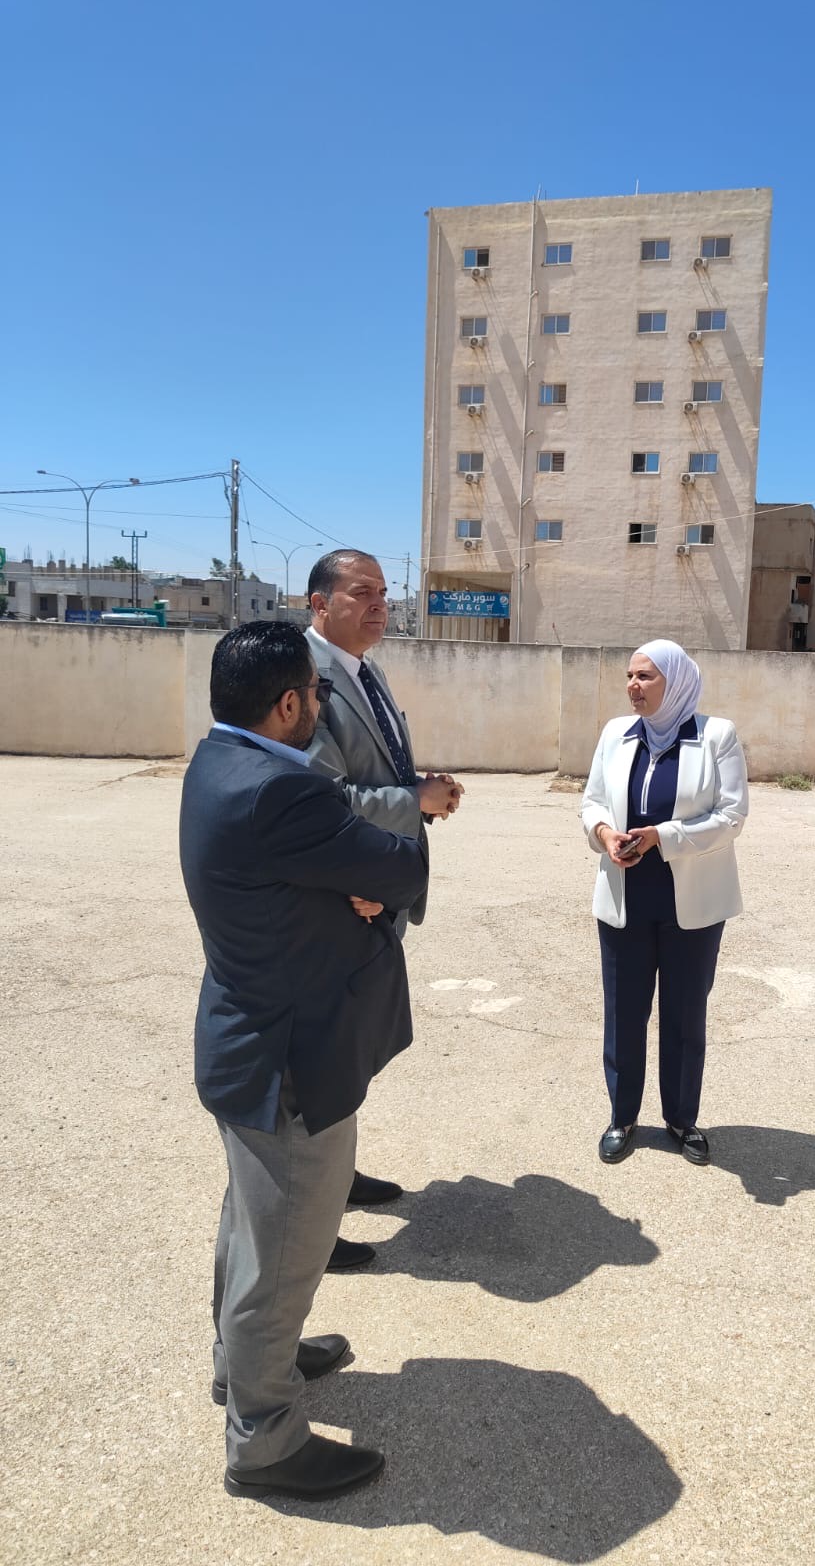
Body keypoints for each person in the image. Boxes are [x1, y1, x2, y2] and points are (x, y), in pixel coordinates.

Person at [180, 622, 427, 1500]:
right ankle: (266, 1443)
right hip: (289, 1061)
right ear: (288, 703)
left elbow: (329, 874)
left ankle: (248, 1364)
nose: (321, 704)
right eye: (316, 694)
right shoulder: (283, 790)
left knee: (252, 1231)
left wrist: (344, 882)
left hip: (246, 1043)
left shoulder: (217, 760)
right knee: (283, 1257)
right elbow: (400, 863)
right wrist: (362, 883)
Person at [303, 548, 463, 1272]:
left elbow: (376, 771)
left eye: (383, 592)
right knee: (320, 1062)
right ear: (319, 603)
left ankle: (336, 1177)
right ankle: (310, 1225)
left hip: (375, 891)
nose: (379, 605)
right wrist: (411, 800)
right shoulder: (304, 680)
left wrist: (420, 789)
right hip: (340, 899)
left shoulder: (365, 670)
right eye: (361, 592)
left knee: (350, 1054)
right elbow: (317, 799)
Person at [581, 639, 749, 1165]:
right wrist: (604, 833)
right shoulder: (616, 733)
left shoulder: (716, 736)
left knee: (684, 1014)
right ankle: (622, 1117)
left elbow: (731, 816)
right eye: (630, 676)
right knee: (623, 1012)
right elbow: (591, 801)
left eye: (646, 677)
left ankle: (680, 1119)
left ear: (675, 682)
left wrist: (663, 837)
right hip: (625, 895)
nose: (634, 686)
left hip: (692, 903)